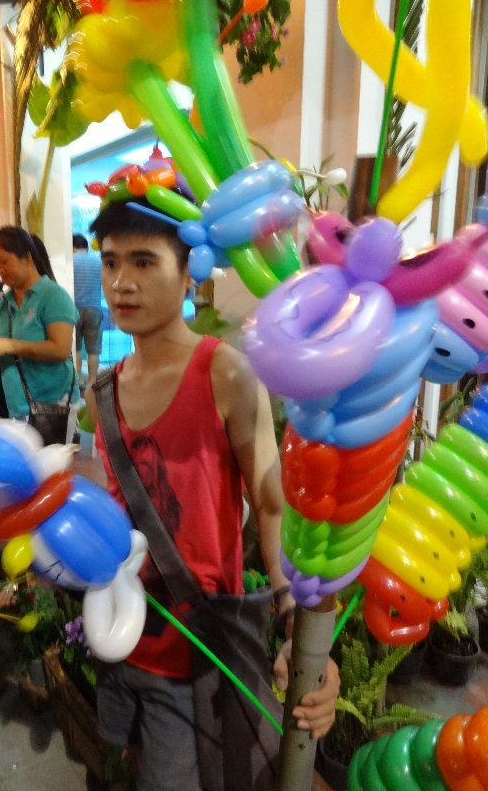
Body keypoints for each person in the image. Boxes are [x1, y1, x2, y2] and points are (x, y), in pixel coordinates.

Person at [84, 198, 339, 791]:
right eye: (111, 262)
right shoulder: (103, 391)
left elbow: (271, 503)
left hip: (197, 652)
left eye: (144, 262)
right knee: (120, 761)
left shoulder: (225, 374)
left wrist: (297, 625)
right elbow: (112, 499)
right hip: (116, 634)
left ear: (189, 272)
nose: (121, 282)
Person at [0, 226, 80, 443]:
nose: (0, 269)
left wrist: (11, 346)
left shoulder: (53, 296)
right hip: (17, 407)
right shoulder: (3, 302)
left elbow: (60, 349)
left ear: (26, 257)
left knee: (54, 463)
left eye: (4, 261)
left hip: (53, 405)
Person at [72, 233, 102, 388]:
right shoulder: (98, 262)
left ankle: (78, 381)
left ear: (72, 246)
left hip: (74, 309)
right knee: (93, 350)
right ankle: (92, 383)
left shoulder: (70, 262)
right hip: (94, 308)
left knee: (75, 347)